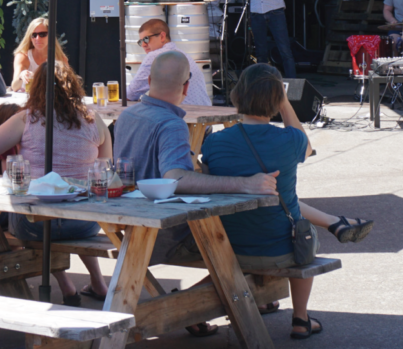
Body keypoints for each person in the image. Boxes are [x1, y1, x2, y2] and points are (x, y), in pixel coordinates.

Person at [112, 50, 278, 338]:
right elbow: (175, 178)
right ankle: (237, 298)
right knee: (255, 239)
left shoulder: (127, 116)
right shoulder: (171, 123)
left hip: (130, 229)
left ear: (149, 80)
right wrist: (244, 184)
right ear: (187, 87)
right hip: (167, 235)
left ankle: (247, 296)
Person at [0, 63, 110, 306]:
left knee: (44, 220)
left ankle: (67, 286)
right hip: (85, 222)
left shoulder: (26, 119)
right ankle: (98, 283)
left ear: (35, 88)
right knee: (67, 211)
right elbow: (106, 168)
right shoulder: (93, 119)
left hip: (32, 223)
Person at [199, 65, 322, 339]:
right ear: (277, 100)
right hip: (280, 248)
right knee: (303, 232)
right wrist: (285, 103)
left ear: (237, 95)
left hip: (228, 245)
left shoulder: (214, 142)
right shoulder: (290, 139)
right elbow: (308, 148)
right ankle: (300, 317)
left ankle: (199, 306)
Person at [126, 18, 212, 106]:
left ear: (162, 36)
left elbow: (130, 95)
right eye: (140, 42)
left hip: (184, 115)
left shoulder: (155, 56)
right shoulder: (182, 54)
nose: (143, 45)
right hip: (204, 112)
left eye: (146, 39)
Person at [11, 16, 68, 93]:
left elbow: (68, 85)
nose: (37, 38)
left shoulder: (59, 58)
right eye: (34, 35)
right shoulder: (23, 56)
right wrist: (21, 76)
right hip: (27, 101)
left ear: (50, 35)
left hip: (51, 102)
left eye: (42, 34)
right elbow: (14, 87)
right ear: (30, 38)